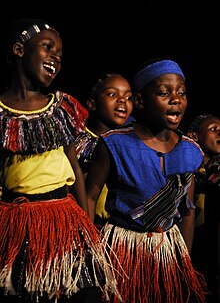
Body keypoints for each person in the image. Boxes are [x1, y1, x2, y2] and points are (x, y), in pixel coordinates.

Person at [0, 18, 121, 303]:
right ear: (19, 50)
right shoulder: (2, 113)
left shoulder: (61, 106)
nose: (56, 56)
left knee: (79, 291)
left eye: (60, 54)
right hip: (17, 221)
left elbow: (75, 167)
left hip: (63, 218)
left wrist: (86, 225)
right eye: (47, 47)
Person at [86, 58, 207, 303]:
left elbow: (187, 210)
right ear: (140, 101)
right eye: (164, 93)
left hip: (167, 252)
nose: (176, 99)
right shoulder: (115, 144)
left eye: (181, 93)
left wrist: (184, 260)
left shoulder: (191, 151)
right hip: (122, 251)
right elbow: (90, 196)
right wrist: (90, 252)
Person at [75, 72, 134, 227]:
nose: (122, 100)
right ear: (92, 104)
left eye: (128, 97)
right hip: (82, 222)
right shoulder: (77, 141)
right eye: (112, 94)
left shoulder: (132, 143)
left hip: (118, 228)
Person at [187, 113, 220, 303]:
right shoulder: (186, 167)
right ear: (194, 136)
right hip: (193, 248)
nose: (219, 134)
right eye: (214, 129)